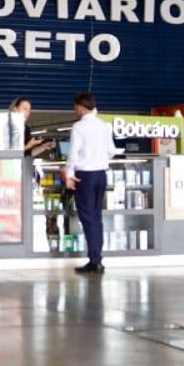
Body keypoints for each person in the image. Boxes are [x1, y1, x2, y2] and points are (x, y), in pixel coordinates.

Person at [65, 92, 118, 274]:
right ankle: (97, 258)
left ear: (80, 106)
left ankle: (95, 261)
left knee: (88, 219)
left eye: (75, 106)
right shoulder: (104, 126)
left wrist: (69, 174)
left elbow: (73, 154)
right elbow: (111, 151)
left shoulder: (78, 127)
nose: (74, 110)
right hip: (101, 175)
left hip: (84, 177)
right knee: (96, 218)